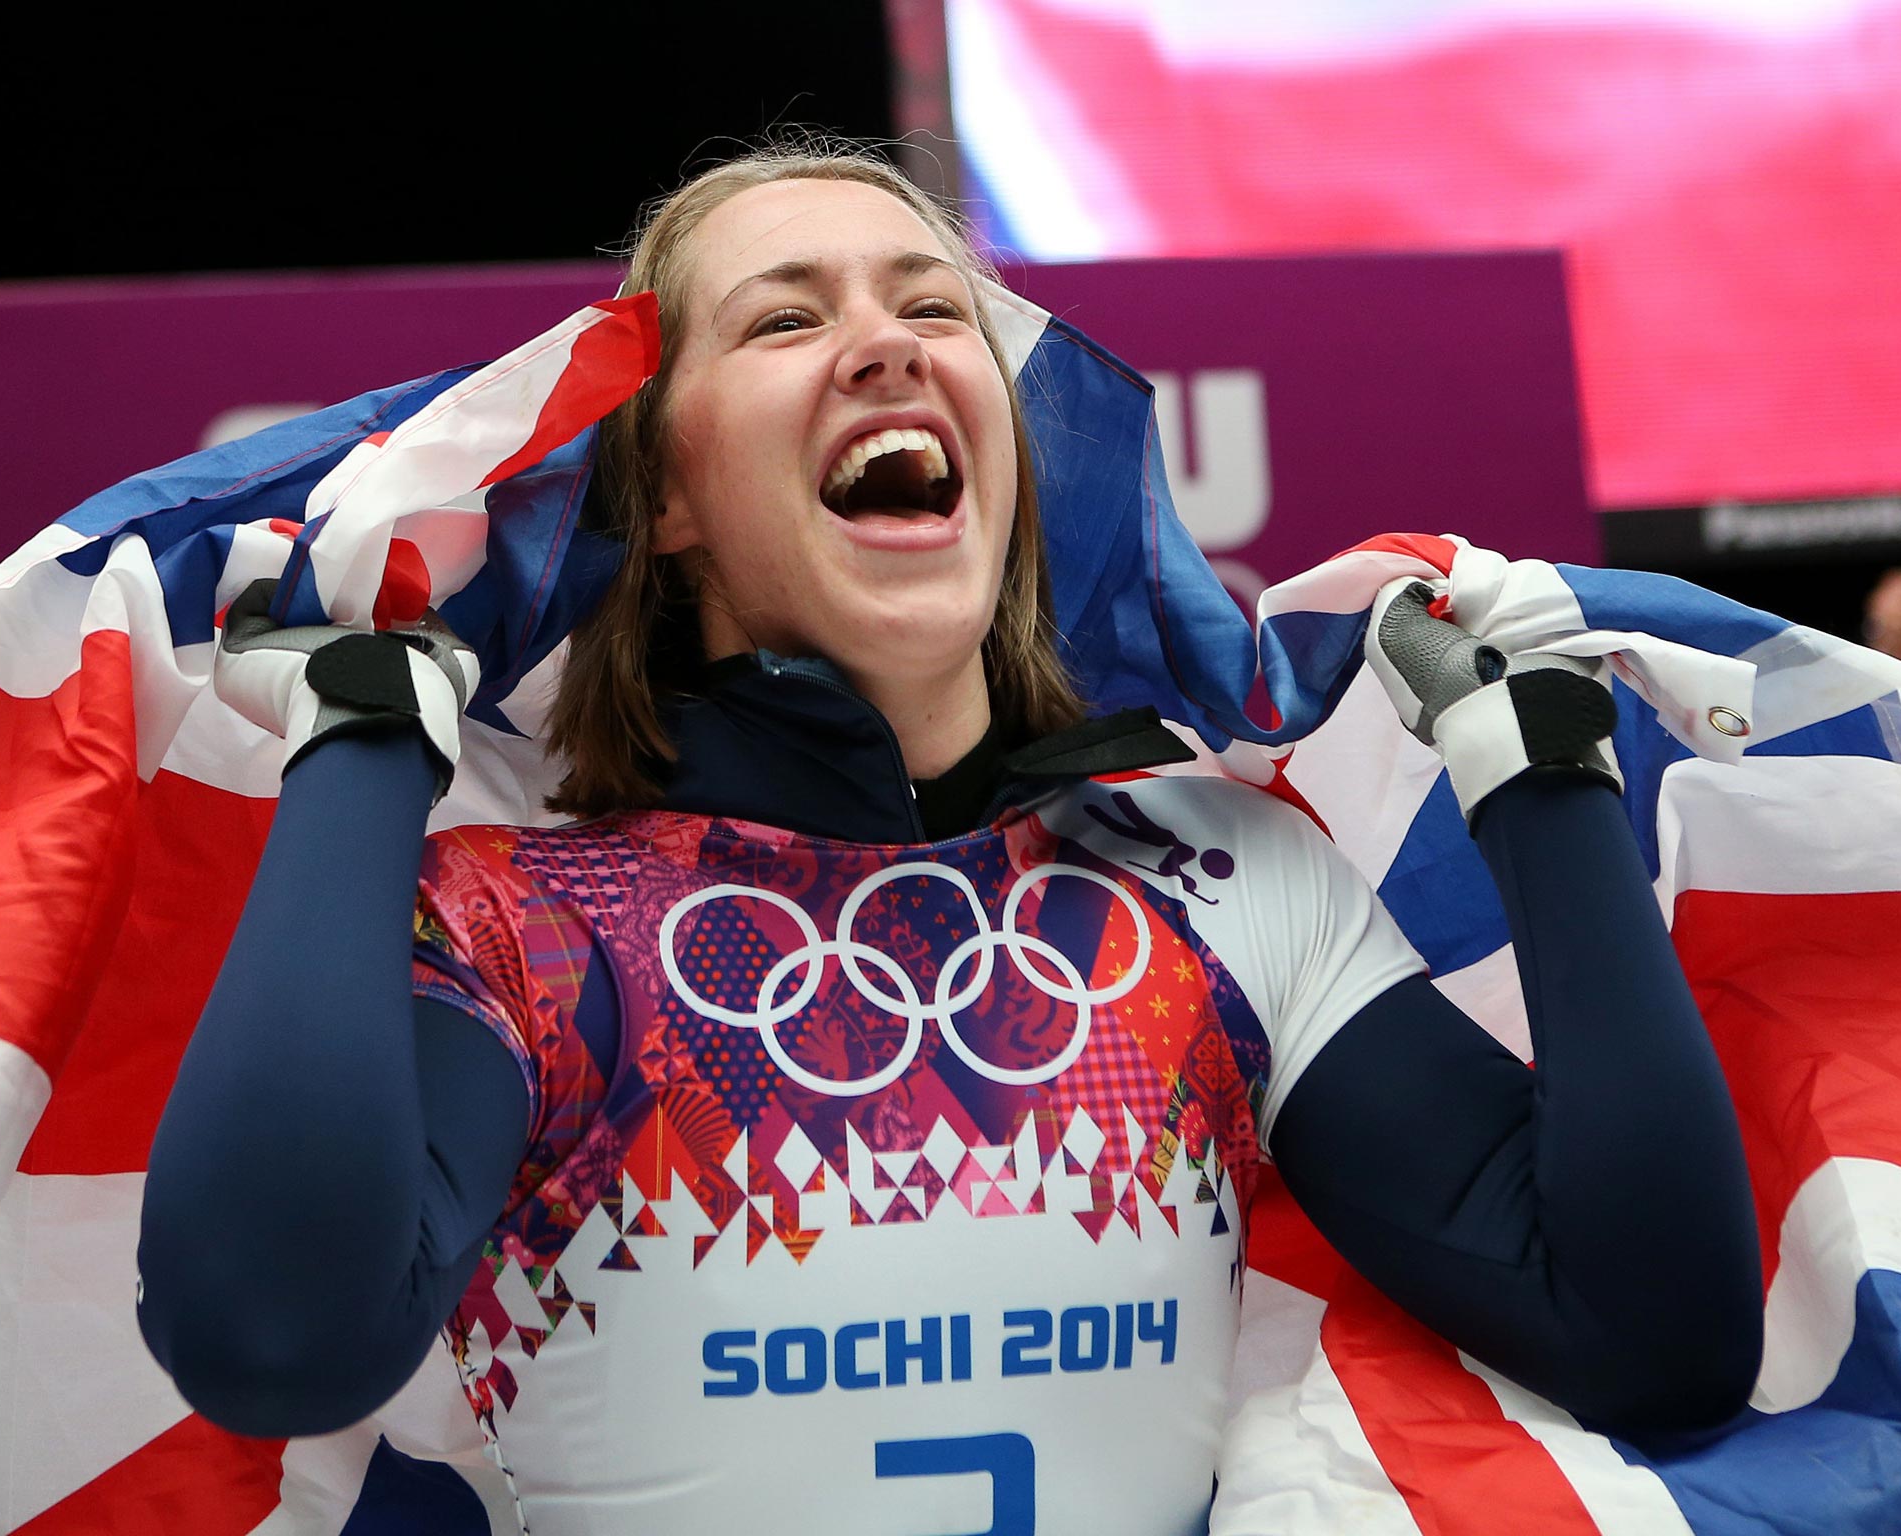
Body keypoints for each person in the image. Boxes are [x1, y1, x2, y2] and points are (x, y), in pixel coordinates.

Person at [135, 146, 1763, 1534]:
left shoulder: (1214, 877)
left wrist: (1541, 769)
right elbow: (276, 1339)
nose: (887, 347)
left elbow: (1656, 1334)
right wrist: (358, 747)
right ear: (671, 497)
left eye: (934, 308)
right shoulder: (521, 926)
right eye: (783, 318)